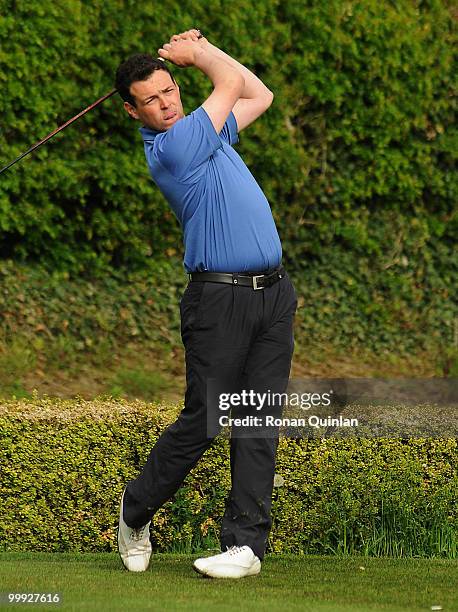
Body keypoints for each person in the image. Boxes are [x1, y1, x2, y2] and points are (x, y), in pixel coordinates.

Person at [114, 29, 297, 579]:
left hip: (273, 295)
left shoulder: (206, 132)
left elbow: (258, 95)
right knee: (206, 421)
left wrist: (200, 50)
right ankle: (135, 510)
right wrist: (198, 53)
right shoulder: (176, 146)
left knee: (258, 419)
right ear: (132, 111)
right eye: (152, 99)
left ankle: (245, 546)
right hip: (217, 300)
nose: (166, 103)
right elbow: (233, 80)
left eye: (170, 90)